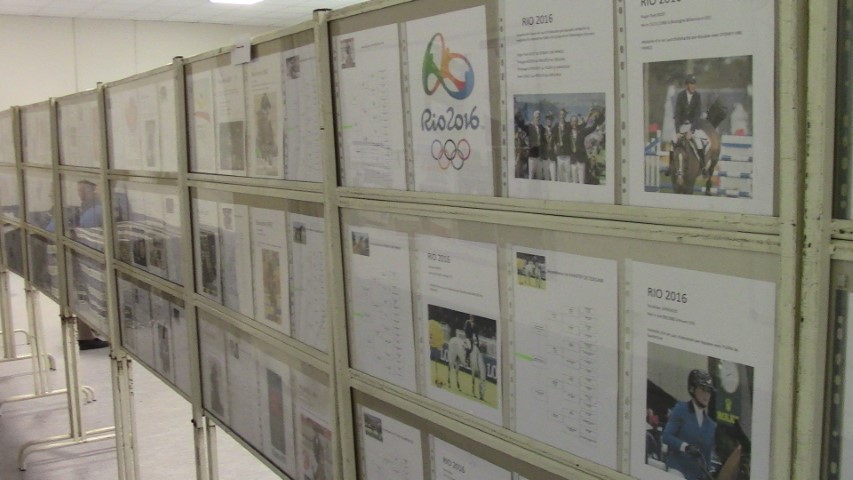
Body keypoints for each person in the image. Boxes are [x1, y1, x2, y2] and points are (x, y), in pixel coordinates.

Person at [662, 369, 717, 479]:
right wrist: (685, 447)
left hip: (695, 475)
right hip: (677, 468)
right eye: (703, 389)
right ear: (692, 389)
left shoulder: (711, 425)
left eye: (709, 391)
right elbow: (666, 437)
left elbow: (706, 456)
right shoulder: (681, 409)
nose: (707, 394)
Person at [673, 74, 709, 167]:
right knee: (672, 141)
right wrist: (677, 131)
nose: (693, 86)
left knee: (699, 143)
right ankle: (671, 166)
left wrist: (691, 131)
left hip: (693, 126)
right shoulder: (681, 96)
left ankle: (703, 166)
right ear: (687, 85)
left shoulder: (697, 96)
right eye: (691, 84)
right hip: (682, 125)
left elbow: (697, 115)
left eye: (694, 84)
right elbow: (677, 114)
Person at [526, 111, 544, 180]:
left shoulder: (541, 127)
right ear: (533, 117)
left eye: (539, 117)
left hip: (539, 156)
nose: (538, 118)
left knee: (539, 176)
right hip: (532, 156)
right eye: (536, 117)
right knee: (531, 175)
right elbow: (525, 137)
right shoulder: (529, 126)